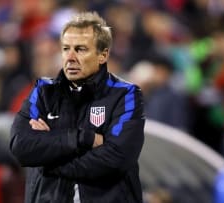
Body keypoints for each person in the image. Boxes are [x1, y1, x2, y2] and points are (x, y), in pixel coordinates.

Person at [9, 12, 145, 203]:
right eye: (66, 49)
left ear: (102, 55)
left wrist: (48, 159)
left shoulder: (125, 95)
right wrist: (84, 138)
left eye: (80, 49)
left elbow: (116, 158)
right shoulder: (43, 92)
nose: (70, 57)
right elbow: (21, 147)